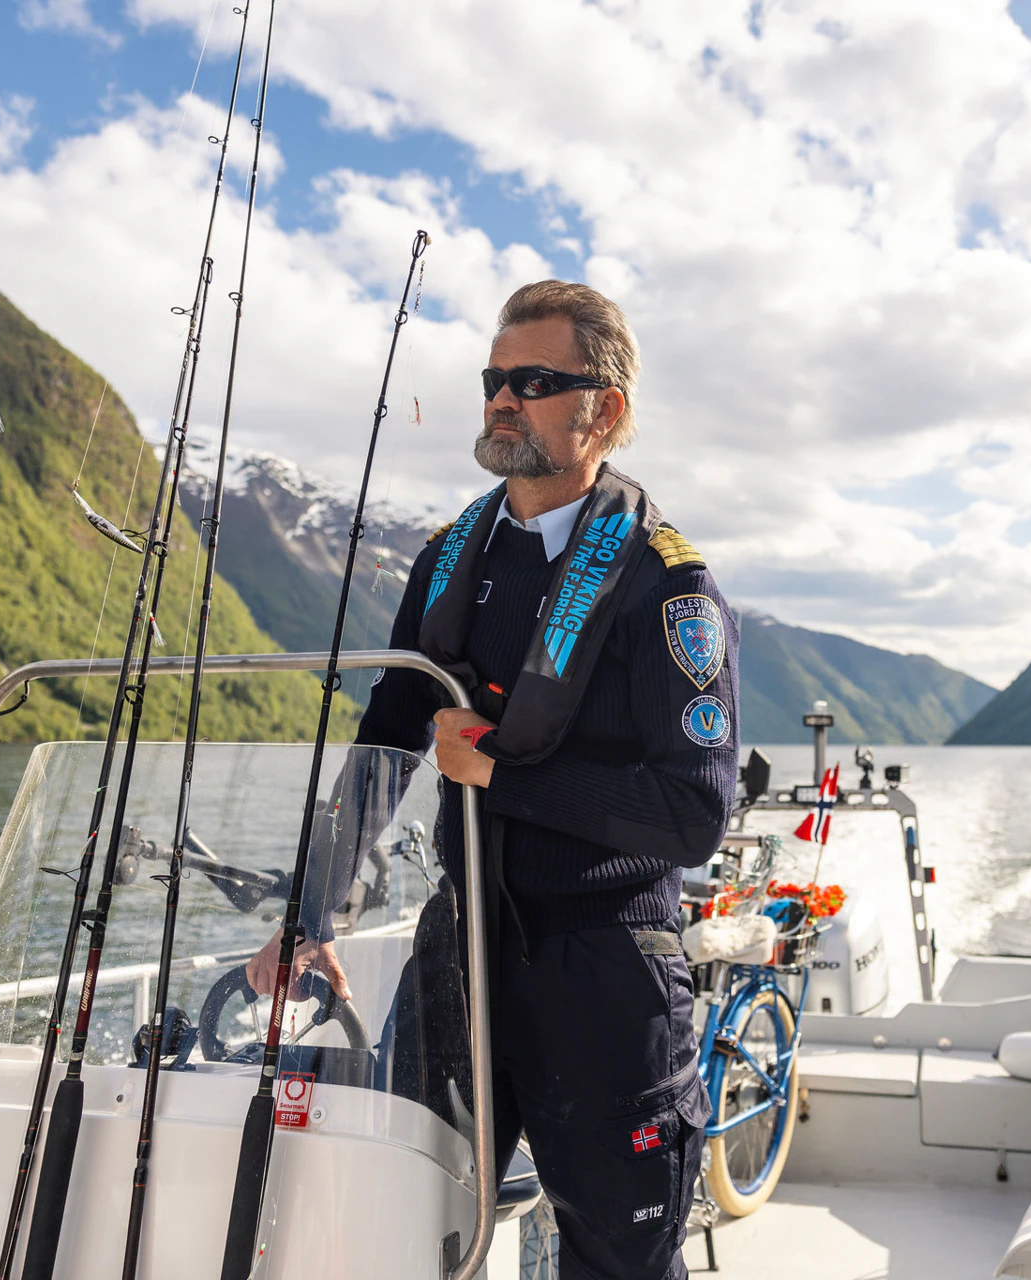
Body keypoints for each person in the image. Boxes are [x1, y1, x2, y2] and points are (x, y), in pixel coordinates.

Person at [245, 279, 739, 1278]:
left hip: (605, 968)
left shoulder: (665, 584)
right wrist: (313, 910)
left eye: (535, 380)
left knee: (619, 1261)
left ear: (604, 411)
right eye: (494, 379)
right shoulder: (445, 563)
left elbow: (692, 817)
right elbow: (387, 737)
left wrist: (502, 779)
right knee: (388, 1222)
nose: (502, 400)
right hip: (457, 949)